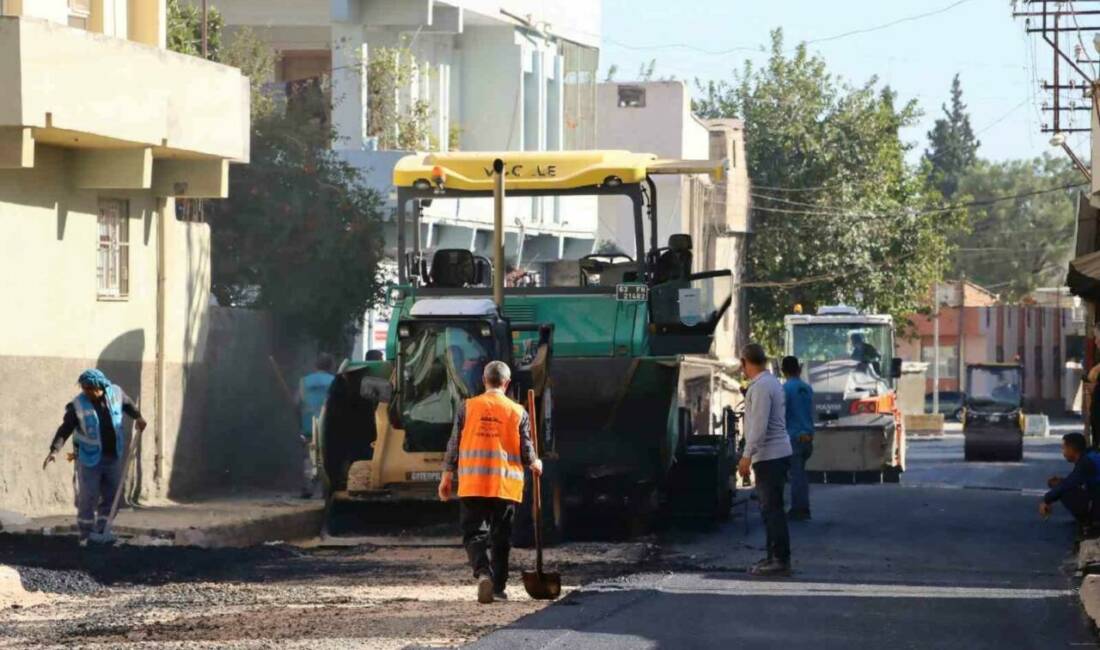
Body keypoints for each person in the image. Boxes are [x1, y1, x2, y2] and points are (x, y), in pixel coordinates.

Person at [438, 361, 543, 603]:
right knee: (501, 537)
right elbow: (526, 448)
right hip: (504, 486)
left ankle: (483, 572)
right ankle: (498, 588)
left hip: (473, 484)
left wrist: (446, 476)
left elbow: (454, 443)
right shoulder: (518, 412)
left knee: (474, 534)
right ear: (506, 383)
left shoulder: (468, 407)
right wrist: (536, 463)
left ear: (484, 381)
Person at [43, 369, 146, 546]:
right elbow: (65, 429)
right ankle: (86, 533)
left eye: (91, 388)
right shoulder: (77, 405)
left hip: (113, 456)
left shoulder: (116, 393)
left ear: (101, 386)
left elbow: (128, 405)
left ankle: (103, 529)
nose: (88, 392)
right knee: (88, 496)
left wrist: (138, 417)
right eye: (85, 389)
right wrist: (54, 450)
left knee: (112, 496)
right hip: (90, 459)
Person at [738, 344, 794, 577]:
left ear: (745, 362)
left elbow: (758, 426)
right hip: (775, 454)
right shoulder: (771, 383)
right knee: (770, 509)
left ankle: (779, 560)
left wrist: (746, 456)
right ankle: (774, 556)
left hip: (769, 455)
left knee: (772, 510)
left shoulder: (761, 387)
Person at [1040, 433, 1100, 534]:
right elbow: (1074, 480)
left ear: (1072, 449)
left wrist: (1046, 500)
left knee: (1064, 490)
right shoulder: (1089, 456)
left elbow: (1068, 485)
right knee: (1059, 485)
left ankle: (1090, 522)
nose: (1063, 453)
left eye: (1064, 448)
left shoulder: (1086, 462)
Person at [298, 353, 336, 499]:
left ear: (315, 366)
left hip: (308, 425)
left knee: (309, 456)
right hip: (328, 425)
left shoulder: (304, 381)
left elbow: (298, 402)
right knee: (327, 456)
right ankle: (327, 489)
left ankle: (308, 487)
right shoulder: (335, 381)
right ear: (331, 366)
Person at [782, 356, 815, 521]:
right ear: (799, 369)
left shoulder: (785, 389)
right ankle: (803, 507)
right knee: (800, 473)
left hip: (793, 437)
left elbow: (781, 414)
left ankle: (799, 509)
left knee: (795, 475)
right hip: (808, 437)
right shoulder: (807, 388)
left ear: (783, 371)